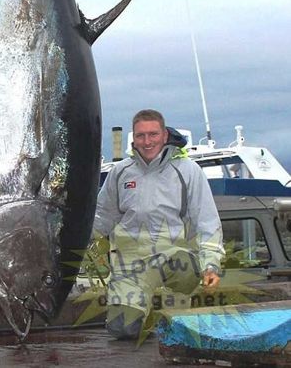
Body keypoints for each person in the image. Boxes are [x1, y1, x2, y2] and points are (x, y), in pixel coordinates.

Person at [93, 109, 224, 340]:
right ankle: (146, 315)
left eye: (153, 134)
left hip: (173, 254)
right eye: (141, 135)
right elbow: (103, 217)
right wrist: (79, 241)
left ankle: (172, 305)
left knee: (183, 272)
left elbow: (208, 221)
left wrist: (211, 264)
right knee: (122, 329)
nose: (147, 141)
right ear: (133, 138)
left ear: (164, 135)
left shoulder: (188, 170)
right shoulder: (120, 172)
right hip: (131, 262)